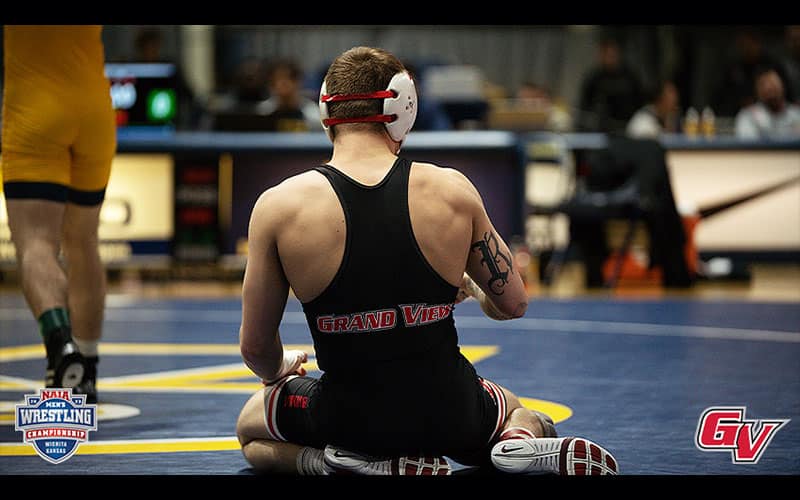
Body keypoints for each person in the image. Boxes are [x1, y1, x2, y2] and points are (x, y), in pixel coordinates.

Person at [234, 46, 618, 476]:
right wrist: (470, 287)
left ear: (325, 111)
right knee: (520, 410)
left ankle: (332, 464)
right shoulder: (451, 190)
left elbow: (256, 349)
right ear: (405, 109)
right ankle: (517, 442)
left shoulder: (278, 206)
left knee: (251, 425)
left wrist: (279, 368)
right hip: (451, 410)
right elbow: (513, 304)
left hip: (349, 417)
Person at [1, 25, 116, 403]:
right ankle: (88, 367)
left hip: (35, 110)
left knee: (36, 242)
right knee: (84, 242)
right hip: (95, 111)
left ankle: (60, 345)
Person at [577, 37, 644, 134]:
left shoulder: (630, 77)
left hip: (629, 128)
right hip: (601, 130)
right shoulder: (594, 79)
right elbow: (585, 107)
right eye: (606, 54)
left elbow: (640, 102)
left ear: (618, 54)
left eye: (612, 54)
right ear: (601, 55)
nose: (610, 58)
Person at [254, 58, 322, 132]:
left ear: (298, 82)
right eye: (278, 79)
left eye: (289, 78)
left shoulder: (312, 113)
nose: (283, 83)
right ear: (271, 83)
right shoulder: (263, 111)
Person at [734, 68, 800, 139]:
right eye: (763, 84)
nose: (769, 88)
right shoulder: (748, 116)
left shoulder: (797, 114)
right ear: (757, 91)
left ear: (783, 85)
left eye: (773, 83)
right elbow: (748, 146)